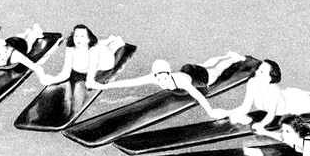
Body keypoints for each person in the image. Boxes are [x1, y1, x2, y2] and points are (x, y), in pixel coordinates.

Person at [208, 59, 310, 129]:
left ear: (271, 77)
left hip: (298, 104)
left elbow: (270, 115)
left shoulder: (273, 90)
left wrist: (261, 125)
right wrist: (226, 113)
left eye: (262, 70)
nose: (258, 71)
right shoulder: (252, 83)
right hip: (290, 95)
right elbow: (245, 106)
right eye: (259, 69)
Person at [88, 52, 247, 118]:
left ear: (169, 74)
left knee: (217, 69)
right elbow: (128, 82)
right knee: (206, 63)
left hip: (199, 77)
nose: (162, 82)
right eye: (160, 79)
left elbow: (197, 94)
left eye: (165, 78)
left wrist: (210, 111)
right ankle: (225, 54)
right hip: (189, 68)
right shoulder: (153, 78)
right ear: (155, 76)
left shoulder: (180, 81)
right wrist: (102, 86)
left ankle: (232, 57)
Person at [40, 24, 127, 86]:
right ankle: (109, 40)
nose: (78, 39)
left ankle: (114, 43)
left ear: (87, 39)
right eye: (76, 36)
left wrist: (91, 82)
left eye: (82, 36)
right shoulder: (70, 48)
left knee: (103, 48)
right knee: (96, 45)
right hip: (84, 65)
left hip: (105, 60)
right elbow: (66, 72)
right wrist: (53, 79)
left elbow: (91, 73)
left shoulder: (93, 50)